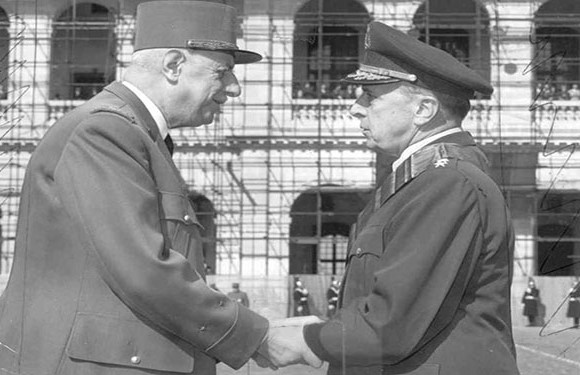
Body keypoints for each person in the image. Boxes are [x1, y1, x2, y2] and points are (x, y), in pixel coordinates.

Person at [0, 2, 322, 374]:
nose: (233, 89)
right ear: (172, 65)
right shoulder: (105, 132)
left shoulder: (137, 135)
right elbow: (143, 269)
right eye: (223, 72)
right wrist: (257, 336)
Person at [296, 22, 519, 374]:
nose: (355, 108)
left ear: (423, 110)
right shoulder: (421, 180)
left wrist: (302, 339)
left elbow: (391, 325)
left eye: (370, 97)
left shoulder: (446, 183)